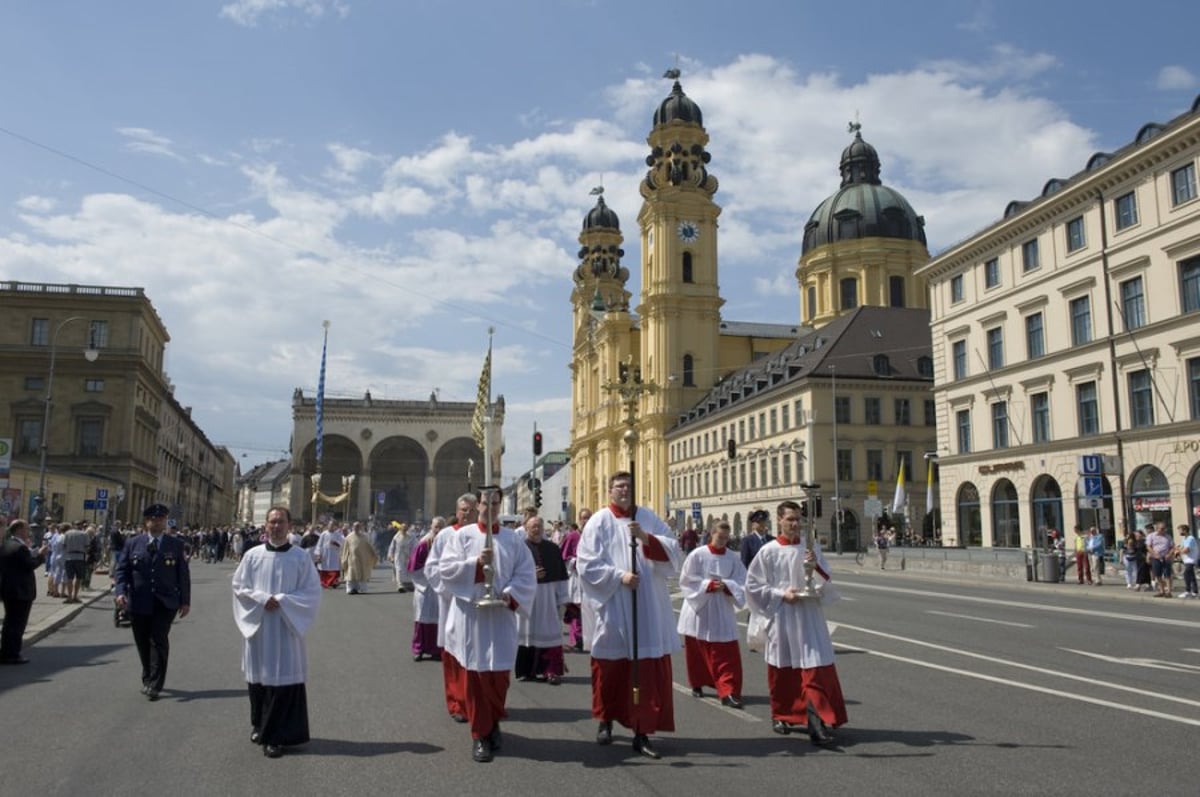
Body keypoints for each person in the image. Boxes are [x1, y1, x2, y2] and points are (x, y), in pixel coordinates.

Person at [577, 471, 684, 760]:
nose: (624, 490)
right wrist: (619, 576)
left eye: (629, 486)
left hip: (647, 604)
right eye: (619, 486)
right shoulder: (600, 521)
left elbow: (674, 551)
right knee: (610, 666)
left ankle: (642, 730)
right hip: (614, 601)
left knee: (645, 670)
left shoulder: (647, 517)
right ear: (610, 491)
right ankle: (605, 720)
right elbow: (586, 563)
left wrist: (645, 538)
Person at [437, 486, 536, 763]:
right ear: (477, 504)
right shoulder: (462, 536)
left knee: (499, 676)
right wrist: (476, 563)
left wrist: (510, 593)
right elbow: (446, 570)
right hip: (472, 616)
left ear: (499, 506)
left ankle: (493, 723)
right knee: (477, 676)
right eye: (484, 502)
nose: (489, 507)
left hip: (501, 614)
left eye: (495, 503)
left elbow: (525, 574)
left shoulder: (513, 541)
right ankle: (480, 734)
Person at [746, 499, 847, 746]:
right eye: (790, 519)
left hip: (808, 615)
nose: (795, 524)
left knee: (814, 668)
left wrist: (815, 564)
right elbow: (753, 586)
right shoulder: (768, 551)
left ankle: (816, 722)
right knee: (783, 670)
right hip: (783, 615)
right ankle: (782, 714)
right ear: (779, 520)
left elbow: (826, 578)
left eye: (798, 519)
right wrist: (782, 594)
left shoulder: (809, 547)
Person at [232, 506, 322, 758]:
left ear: (289, 525)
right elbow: (239, 586)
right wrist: (261, 598)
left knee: (282, 682)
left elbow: (312, 592)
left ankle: (275, 736)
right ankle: (258, 724)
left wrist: (281, 600)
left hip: (285, 627)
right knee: (258, 680)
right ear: (265, 526)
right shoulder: (252, 556)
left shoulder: (301, 558)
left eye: (281, 522)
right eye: (272, 522)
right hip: (260, 626)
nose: (276, 526)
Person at [113, 503, 191, 700]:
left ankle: (155, 683)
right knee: (142, 641)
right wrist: (120, 592)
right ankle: (148, 676)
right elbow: (122, 570)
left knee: (158, 640)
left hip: (165, 602)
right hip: (139, 600)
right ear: (146, 522)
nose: (157, 522)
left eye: (161, 519)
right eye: (153, 519)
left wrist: (185, 601)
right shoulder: (133, 543)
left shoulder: (175, 544)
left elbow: (183, 574)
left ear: (165, 521)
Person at [677, 519, 746, 708]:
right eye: (719, 537)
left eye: (726, 538)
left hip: (722, 607)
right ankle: (697, 682)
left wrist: (727, 586)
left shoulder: (733, 557)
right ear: (711, 534)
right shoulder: (697, 555)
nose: (723, 541)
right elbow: (686, 581)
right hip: (700, 607)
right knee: (697, 651)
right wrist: (708, 585)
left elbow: (741, 580)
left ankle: (728, 691)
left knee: (726, 652)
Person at [425, 493, 478, 724]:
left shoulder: (482, 536)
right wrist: (452, 589)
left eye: (471, 510)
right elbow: (432, 568)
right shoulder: (445, 535)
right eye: (463, 510)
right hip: (450, 603)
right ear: (456, 511)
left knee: (476, 656)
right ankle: (456, 702)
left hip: (476, 607)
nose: (466, 514)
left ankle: (476, 701)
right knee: (453, 655)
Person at [515, 515, 569, 685]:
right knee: (527, 634)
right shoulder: (519, 548)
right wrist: (532, 575)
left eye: (539, 526)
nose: (536, 529)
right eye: (533, 527)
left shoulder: (552, 548)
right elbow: (512, 573)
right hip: (527, 597)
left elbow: (561, 576)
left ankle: (551, 670)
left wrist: (563, 599)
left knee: (550, 632)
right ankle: (527, 671)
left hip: (548, 597)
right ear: (526, 528)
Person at [1, 519, 50, 664]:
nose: (29, 531)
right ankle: (13, 654)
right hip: (21, 591)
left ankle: (5, 651)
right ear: (20, 530)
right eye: (27, 529)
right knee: (18, 624)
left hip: (8, 589)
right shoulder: (20, 548)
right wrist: (41, 555)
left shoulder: (6, 544)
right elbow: (30, 565)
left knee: (9, 623)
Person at [408, 516, 445, 661]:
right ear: (431, 527)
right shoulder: (424, 544)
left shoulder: (446, 543)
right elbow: (414, 567)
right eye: (436, 527)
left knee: (437, 620)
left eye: (442, 527)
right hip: (425, 587)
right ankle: (419, 648)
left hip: (440, 587)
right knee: (422, 619)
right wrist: (431, 577)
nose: (439, 530)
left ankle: (435, 649)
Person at [559, 521, 584, 652]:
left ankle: (584, 638)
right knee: (575, 608)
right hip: (575, 576)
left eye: (588, 518)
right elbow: (563, 557)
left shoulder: (593, 534)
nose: (586, 521)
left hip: (589, 578)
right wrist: (575, 561)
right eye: (583, 518)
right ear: (579, 520)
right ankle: (576, 639)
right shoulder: (572, 537)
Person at [340, 521, 378, 595]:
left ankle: (363, 589)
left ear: (360, 527)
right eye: (355, 526)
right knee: (351, 574)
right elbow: (345, 549)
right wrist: (344, 559)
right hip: (352, 559)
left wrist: (374, 554)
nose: (356, 528)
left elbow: (370, 547)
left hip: (362, 559)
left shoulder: (365, 537)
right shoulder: (348, 537)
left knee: (362, 574)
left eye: (358, 526)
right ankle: (351, 589)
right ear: (353, 527)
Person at [1146, 522, 1174, 597]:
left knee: (1167, 575)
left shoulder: (1168, 536)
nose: (1163, 530)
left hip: (1166, 557)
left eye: (1164, 528)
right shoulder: (1151, 536)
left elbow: (1172, 547)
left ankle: (1169, 591)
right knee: (1157, 574)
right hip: (1156, 558)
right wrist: (1154, 554)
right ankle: (1161, 591)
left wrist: (1169, 554)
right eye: (1161, 528)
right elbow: (1148, 547)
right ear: (1157, 528)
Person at [314, 523, 344, 589]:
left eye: (333, 525)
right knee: (324, 568)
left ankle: (334, 582)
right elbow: (319, 544)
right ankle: (325, 582)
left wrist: (336, 543)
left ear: (335, 526)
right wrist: (318, 554)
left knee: (334, 568)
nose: (331, 527)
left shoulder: (338, 534)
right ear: (328, 526)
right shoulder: (324, 534)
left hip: (334, 554)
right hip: (325, 554)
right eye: (330, 525)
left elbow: (342, 544)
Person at [1175, 525, 1198, 599]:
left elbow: (1186, 550)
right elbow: (1180, 548)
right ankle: (1194, 592)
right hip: (1187, 560)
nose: (1179, 532)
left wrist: (1179, 551)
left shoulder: (1190, 538)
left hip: (1191, 560)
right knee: (1191, 576)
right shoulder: (1185, 539)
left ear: (1185, 530)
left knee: (1186, 574)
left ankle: (1188, 591)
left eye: (1180, 530)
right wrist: (1178, 550)